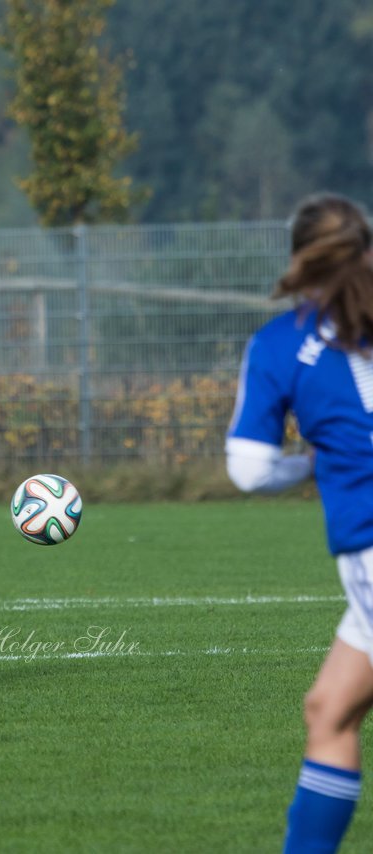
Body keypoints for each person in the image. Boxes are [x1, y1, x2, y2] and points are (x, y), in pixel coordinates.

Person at [226, 192, 373, 852]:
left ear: (299, 258)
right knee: (330, 709)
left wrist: (309, 465)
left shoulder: (282, 342)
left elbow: (251, 469)